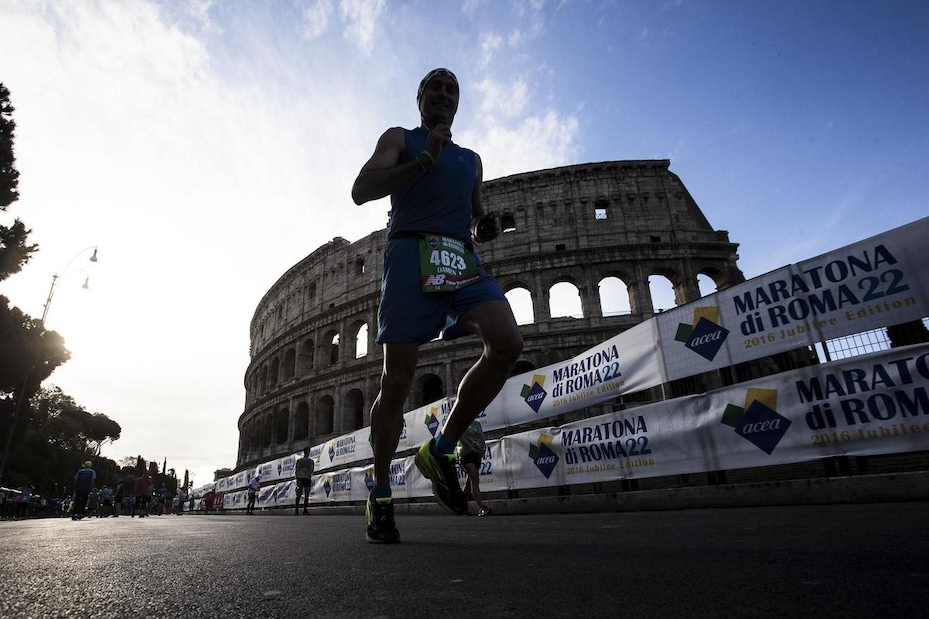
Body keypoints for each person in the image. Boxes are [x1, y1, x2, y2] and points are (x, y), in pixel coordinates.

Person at [351, 68, 523, 543]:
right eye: (436, 88)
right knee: (397, 379)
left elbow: (476, 216)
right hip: (408, 254)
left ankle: (441, 447)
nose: (444, 94)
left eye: (453, 89)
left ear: (458, 102)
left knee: (507, 342)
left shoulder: (471, 160)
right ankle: (380, 491)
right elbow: (362, 189)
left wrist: (484, 227)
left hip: (458, 259)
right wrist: (423, 160)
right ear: (420, 97)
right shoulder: (399, 138)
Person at [458, 418, 491, 516]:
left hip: (477, 454)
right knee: (474, 477)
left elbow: (481, 438)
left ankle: (461, 506)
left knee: (471, 483)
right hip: (466, 454)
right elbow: (461, 438)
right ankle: (481, 507)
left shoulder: (477, 423)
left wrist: (482, 451)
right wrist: (472, 449)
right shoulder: (460, 423)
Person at [294, 448, 315, 515]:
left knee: (306, 495)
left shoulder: (311, 461)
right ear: (304, 452)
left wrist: (309, 476)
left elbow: (312, 470)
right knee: (299, 494)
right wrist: (297, 479)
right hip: (301, 478)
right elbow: (297, 470)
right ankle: (296, 510)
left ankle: (305, 510)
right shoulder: (300, 461)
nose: (307, 453)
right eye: (306, 451)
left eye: (308, 451)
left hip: (307, 478)